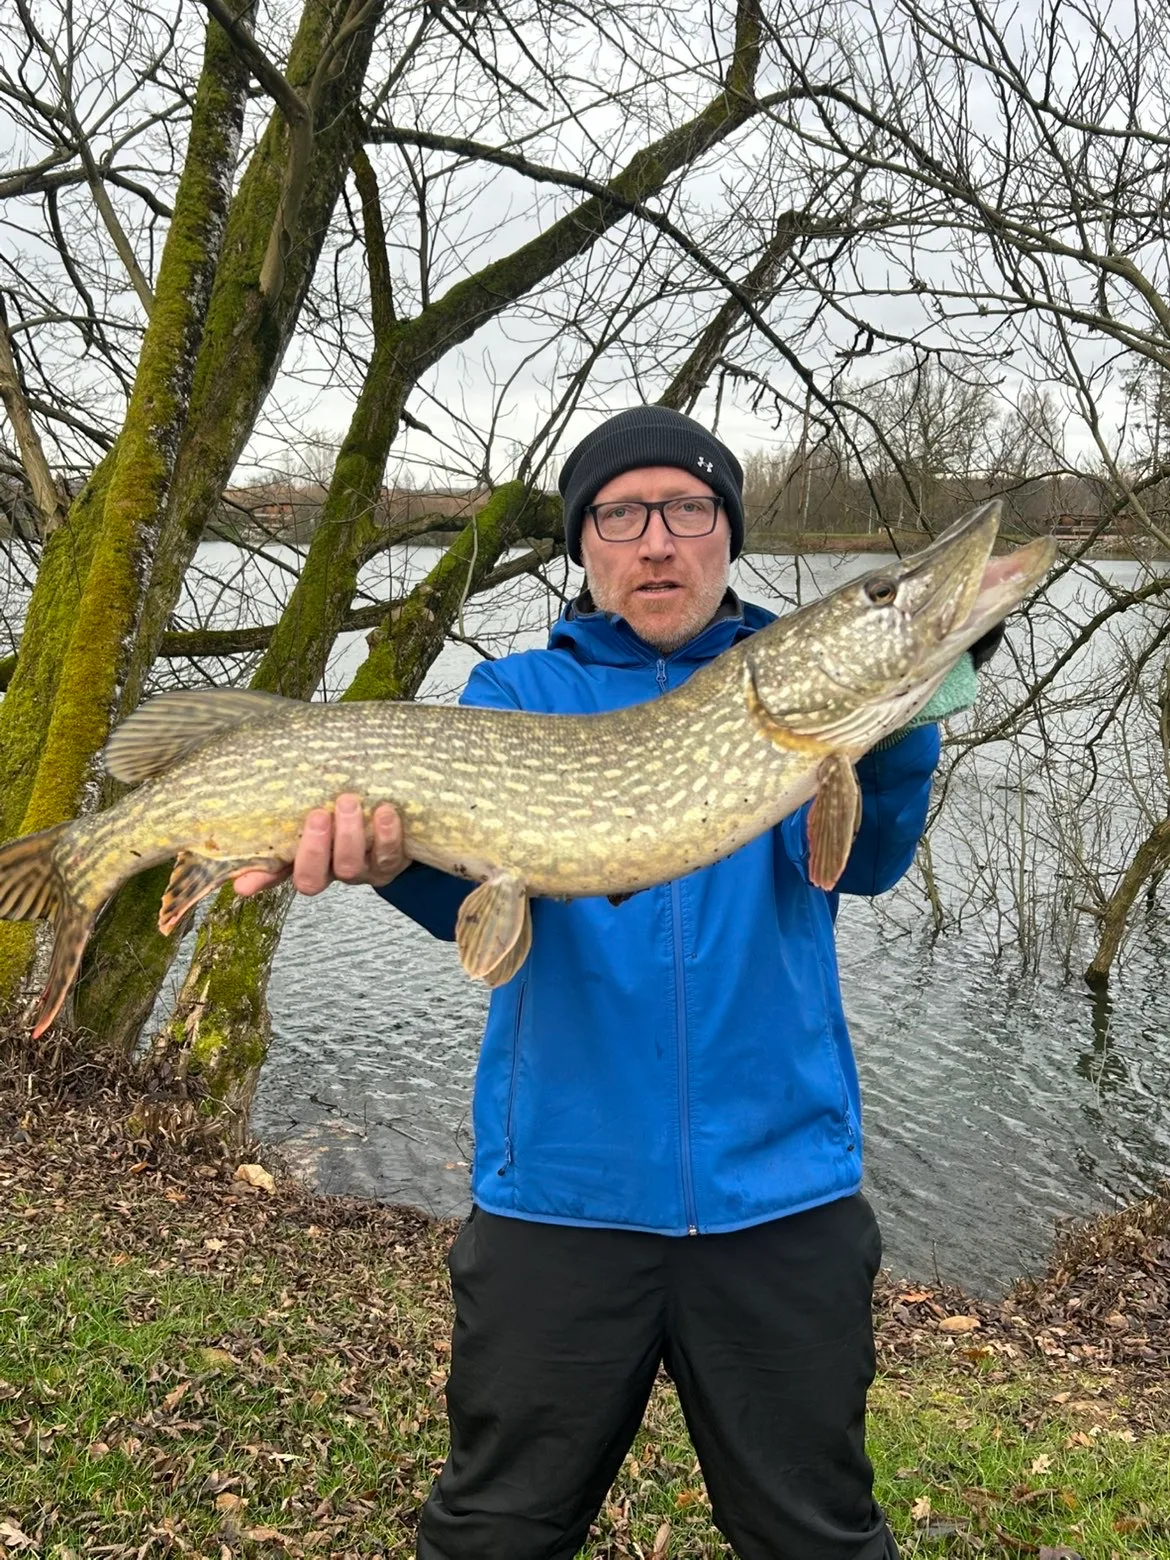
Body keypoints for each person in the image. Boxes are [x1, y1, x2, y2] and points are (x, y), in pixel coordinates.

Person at [236, 406, 999, 1560]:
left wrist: (899, 721)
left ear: (727, 533)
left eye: (687, 510)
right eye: (621, 515)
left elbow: (870, 860)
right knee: (496, 1535)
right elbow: (478, 914)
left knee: (817, 1539)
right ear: (583, 545)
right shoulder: (518, 694)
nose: (657, 543)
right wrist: (388, 865)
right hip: (560, 1202)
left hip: (780, 1200)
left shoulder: (788, 690)